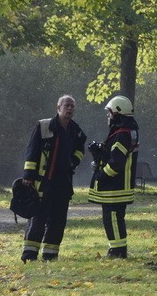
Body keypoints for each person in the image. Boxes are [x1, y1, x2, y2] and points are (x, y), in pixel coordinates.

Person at [21, 95, 87, 262]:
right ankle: (29, 254)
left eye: (72, 106)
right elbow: (32, 151)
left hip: (63, 183)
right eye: (67, 106)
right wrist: (28, 175)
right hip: (44, 181)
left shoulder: (76, 130)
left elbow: (80, 148)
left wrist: (74, 161)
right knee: (38, 218)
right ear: (58, 108)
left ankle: (50, 254)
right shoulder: (43, 126)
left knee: (58, 221)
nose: (70, 109)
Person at [89, 95, 139, 258]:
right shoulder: (125, 132)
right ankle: (116, 249)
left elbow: (117, 163)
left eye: (109, 112)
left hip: (115, 186)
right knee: (114, 218)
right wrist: (101, 151)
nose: (108, 116)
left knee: (112, 219)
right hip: (119, 185)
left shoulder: (121, 134)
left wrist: (101, 175)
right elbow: (115, 154)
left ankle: (118, 251)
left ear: (117, 113)